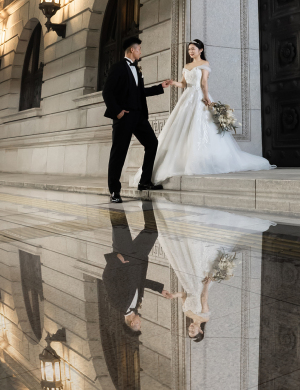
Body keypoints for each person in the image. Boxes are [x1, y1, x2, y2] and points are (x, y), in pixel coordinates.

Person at [138, 39, 273, 185]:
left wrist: (207, 98)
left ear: (200, 50)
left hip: (199, 97)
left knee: (201, 126)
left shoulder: (205, 64)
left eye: (193, 49)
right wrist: (173, 83)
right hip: (187, 97)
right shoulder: (187, 66)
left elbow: (203, 83)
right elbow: (183, 84)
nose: (190, 51)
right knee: (184, 127)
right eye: (189, 49)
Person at [152, 201, 274, 342]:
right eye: (193, 331)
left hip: (189, 284)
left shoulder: (187, 314)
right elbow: (204, 299)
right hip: (199, 284)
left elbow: (185, 295)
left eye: (189, 330)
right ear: (201, 331)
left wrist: (174, 295)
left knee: (187, 255)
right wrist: (205, 285)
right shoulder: (205, 317)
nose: (191, 328)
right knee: (199, 256)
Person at [103, 34, 171, 202]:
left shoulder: (136, 68)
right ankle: (114, 191)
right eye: (139, 49)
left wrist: (159, 87)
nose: (141, 52)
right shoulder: (118, 67)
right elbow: (107, 92)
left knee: (152, 143)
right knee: (119, 153)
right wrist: (117, 111)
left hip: (139, 116)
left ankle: (145, 182)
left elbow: (140, 92)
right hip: (124, 117)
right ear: (132, 50)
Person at [102, 203, 177, 336]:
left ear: (133, 323)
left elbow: (107, 278)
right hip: (138, 258)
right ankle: (146, 200)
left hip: (124, 255)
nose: (140, 321)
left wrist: (117, 258)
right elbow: (140, 282)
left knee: (120, 224)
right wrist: (160, 289)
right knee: (152, 231)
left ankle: (114, 196)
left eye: (139, 324)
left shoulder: (117, 304)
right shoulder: (136, 305)